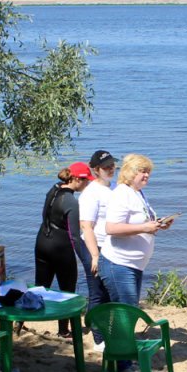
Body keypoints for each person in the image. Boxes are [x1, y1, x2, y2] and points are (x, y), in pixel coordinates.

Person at [98, 154, 173, 308]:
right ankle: (114, 333)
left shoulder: (138, 192)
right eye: (142, 171)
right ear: (130, 172)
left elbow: (141, 220)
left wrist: (158, 224)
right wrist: (145, 228)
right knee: (127, 310)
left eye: (148, 172)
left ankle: (122, 333)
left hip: (134, 264)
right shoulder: (122, 193)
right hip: (119, 263)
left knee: (129, 310)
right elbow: (111, 228)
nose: (146, 175)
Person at [34, 162, 93, 337]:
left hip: (42, 241)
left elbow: (44, 214)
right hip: (61, 247)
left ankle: (19, 323)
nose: (87, 184)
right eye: (85, 180)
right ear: (75, 179)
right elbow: (74, 236)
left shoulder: (53, 190)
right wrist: (86, 259)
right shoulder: (72, 202)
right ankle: (64, 330)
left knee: (40, 286)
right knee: (67, 289)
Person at [79, 150, 118, 352]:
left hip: (110, 247)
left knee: (110, 293)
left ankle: (108, 332)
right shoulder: (90, 193)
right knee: (97, 294)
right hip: (94, 248)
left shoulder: (113, 189)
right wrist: (95, 255)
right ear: (96, 170)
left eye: (112, 165)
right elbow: (86, 226)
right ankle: (98, 339)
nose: (111, 169)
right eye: (106, 167)